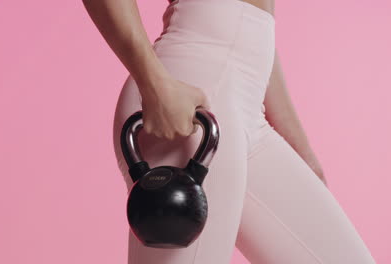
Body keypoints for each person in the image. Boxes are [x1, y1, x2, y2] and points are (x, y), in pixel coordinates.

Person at [82, 0, 377, 263]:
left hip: (244, 101)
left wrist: (297, 143)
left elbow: (249, 24)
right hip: (189, 95)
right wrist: (153, 82)